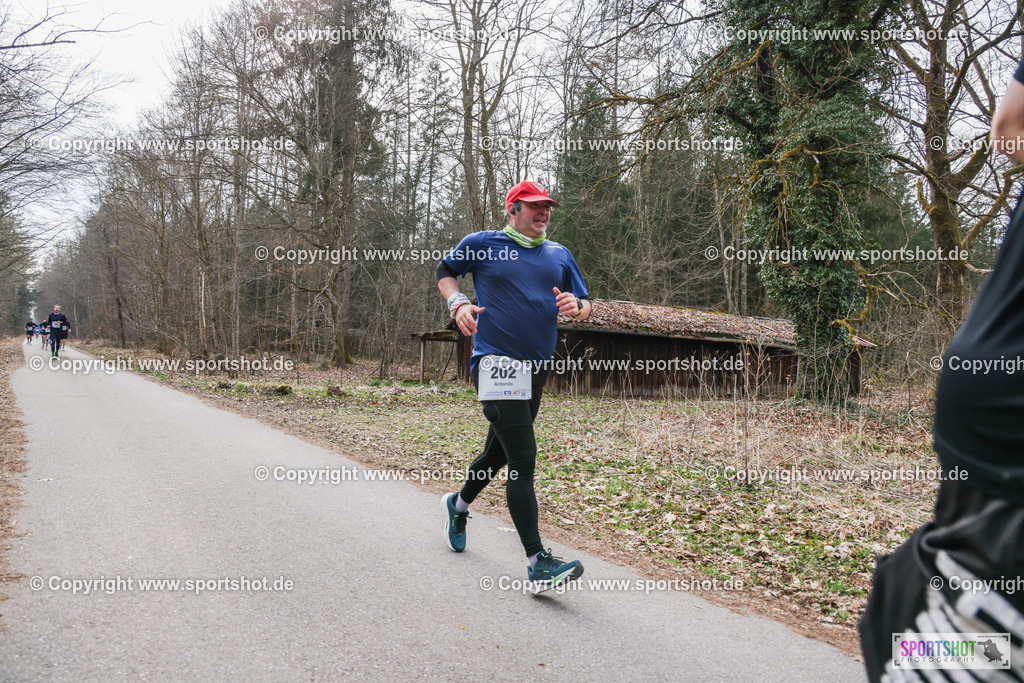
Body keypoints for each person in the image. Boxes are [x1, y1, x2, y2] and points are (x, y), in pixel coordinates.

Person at [859, 58, 1024, 680]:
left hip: (1003, 499)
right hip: (990, 486)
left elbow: (1010, 125)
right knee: (900, 618)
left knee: (916, 642)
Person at [436, 181, 592, 593]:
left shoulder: (560, 254)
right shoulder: (483, 244)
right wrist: (458, 303)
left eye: (548, 208)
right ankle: (537, 561)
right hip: (495, 363)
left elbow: (587, 302)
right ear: (512, 210)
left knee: (498, 452)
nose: (544, 213)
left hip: (537, 367)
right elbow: (445, 272)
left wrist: (578, 307)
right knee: (523, 455)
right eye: (535, 207)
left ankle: (459, 503)